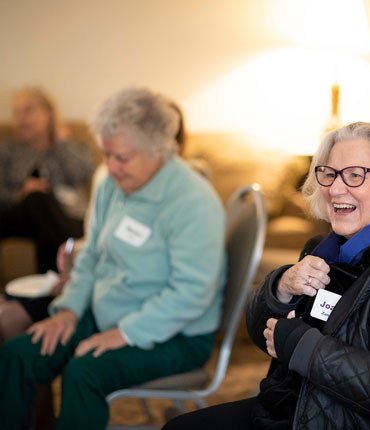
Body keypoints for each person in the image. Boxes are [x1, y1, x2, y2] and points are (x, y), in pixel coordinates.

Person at [164, 122, 370, 430]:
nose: (335, 189)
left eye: (355, 175)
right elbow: (266, 336)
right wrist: (281, 288)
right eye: (329, 173)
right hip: (295, 406)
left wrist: (304, 345)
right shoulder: (326, 249)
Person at [0, 87, 227, 430]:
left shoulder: (193, 201)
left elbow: (192, 293)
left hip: (176, 332)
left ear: (159, 150)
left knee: (84, 373)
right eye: (106, 155)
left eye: (122, 158)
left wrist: (125, 332)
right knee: (19, 354)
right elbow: (91, 254)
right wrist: (68, 310)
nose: (111, 168)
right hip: (111, 311)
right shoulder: (111, 185)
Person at [0, 87, 97, 273]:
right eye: (17, 112)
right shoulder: (8, 150)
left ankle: (51, 281)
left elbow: (85, 174)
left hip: (65, 216)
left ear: (49, 113)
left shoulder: (73, 145)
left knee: (44, 211)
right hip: (18, 216)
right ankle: (63, 275)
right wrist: (21, 193)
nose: (21, 119)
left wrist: (61, 143)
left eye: (28, 110)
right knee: (37, 198)